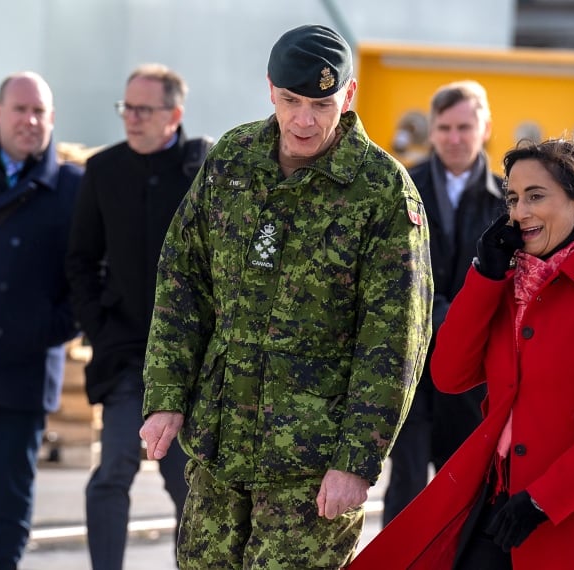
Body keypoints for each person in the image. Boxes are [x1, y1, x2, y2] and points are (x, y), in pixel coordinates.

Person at [138, 24, 433, 569]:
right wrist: (166, 396)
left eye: (321, 103)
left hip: (312, 470)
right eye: (291, 100)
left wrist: (357, 461)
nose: (303, 119)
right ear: (270, 88)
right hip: (218, 453)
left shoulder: (382, 192)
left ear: (348, 97)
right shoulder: (231, 161)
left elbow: (395, 341)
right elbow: (183, 281)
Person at [350, 137, 574, 570]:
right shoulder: (510, 283)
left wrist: (541, 501)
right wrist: (484, 276)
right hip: (500, 501)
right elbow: (449, 374)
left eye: (536, 196)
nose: (520, 212)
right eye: (513, 199)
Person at [65, 63, 211, 570]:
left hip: (196, 365)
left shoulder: (203, 169)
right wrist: (100, 328)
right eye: (126, 107)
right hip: (127, 354)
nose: (131, 118)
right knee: (113, 473)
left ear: (174, 115)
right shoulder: (103, 171)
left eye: (143, 109)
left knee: (188, 486)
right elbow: (81, 259)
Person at [0, 71, 82, 570]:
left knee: (7, 499)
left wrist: (44, 330)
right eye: (20, 109)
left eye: (40, 112)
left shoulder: (72, 187)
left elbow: (92, 277)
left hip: (19, 370)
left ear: (51, 120)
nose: (30, 120)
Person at [383, 80, 504, 526]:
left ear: (485, 128)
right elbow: (390, 276)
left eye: (465, 127)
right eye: (445, 127)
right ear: (431, 131)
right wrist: (442, 318)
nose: (455, 138)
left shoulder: (511, 200)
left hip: (474, 377)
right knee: (407, 488)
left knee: (469, 492)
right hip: (409, 371)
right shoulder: (399, 189)